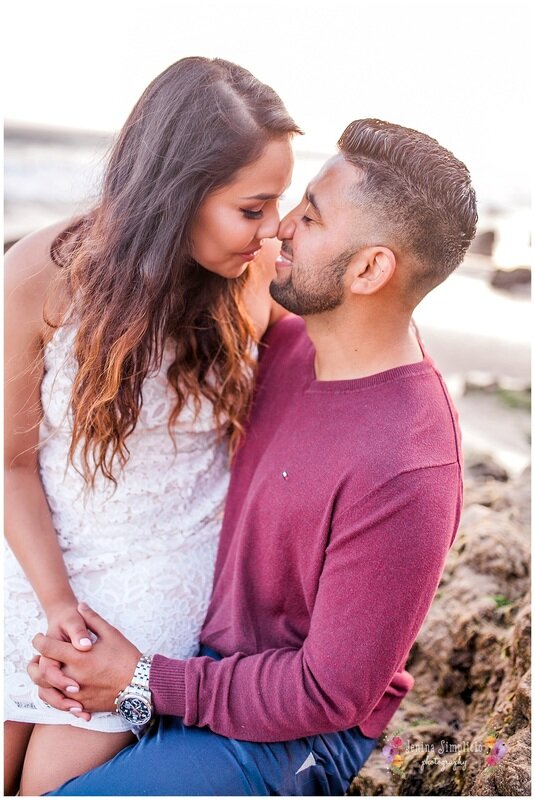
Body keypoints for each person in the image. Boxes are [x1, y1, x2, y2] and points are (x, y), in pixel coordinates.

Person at [29, 118, 477, 796]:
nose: (279, 229)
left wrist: (145, 681)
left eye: (310, 216)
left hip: (288, 732)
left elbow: (328, 694)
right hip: (198, 663)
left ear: (368, 268)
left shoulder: (408, 465)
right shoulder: (287, 348)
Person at [4, 56, 300, 796]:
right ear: (179, 194)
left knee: (49, 790)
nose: (271, 233)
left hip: (162, 577)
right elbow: (8, 463)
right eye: (253, 208)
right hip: (35, 562)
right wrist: (57, 606)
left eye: (279, 206)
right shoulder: (43, 271)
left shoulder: (255, 283)